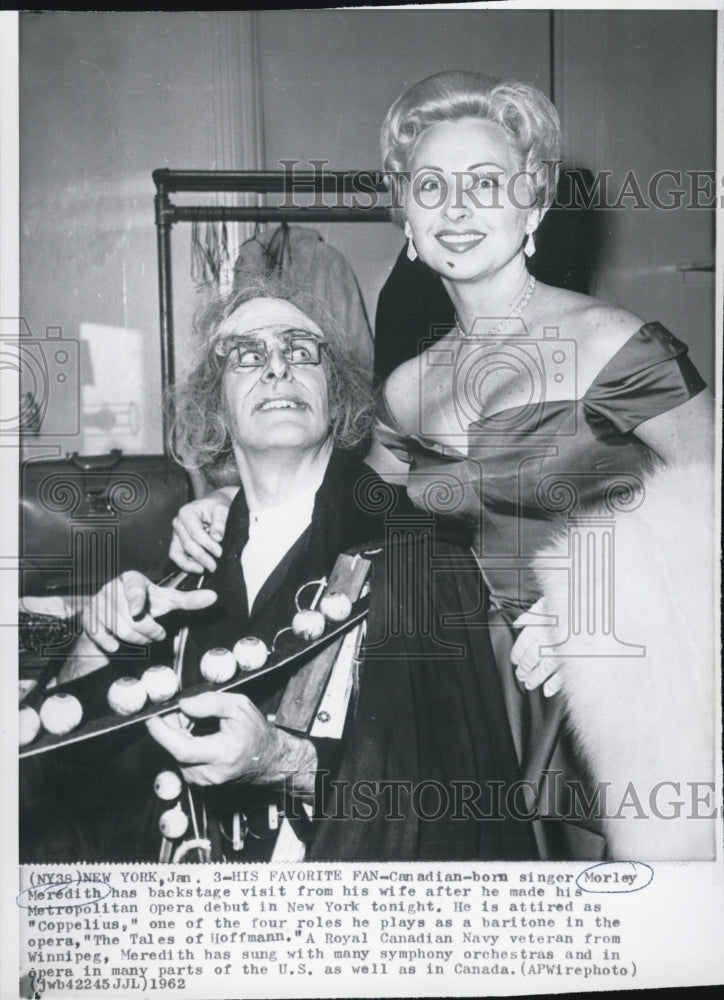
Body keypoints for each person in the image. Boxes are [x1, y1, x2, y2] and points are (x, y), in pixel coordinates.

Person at [173, 73, 715, 860]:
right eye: (430, 186)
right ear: (407, 216)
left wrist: (598, 599)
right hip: (469, 704)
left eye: (486, 184)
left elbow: (713, 500)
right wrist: (223, 505)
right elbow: (348, 505)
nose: (456, 209)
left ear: (532, 207)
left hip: (618, 692)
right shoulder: (405, 387)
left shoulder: (614, 342)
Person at [23, 276, 535, 863]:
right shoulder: (185, 572)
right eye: (247, 355)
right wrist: (94, 640)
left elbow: (456, 801)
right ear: (215, 407)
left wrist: (285, 762)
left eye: (299, 351)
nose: (276, 369)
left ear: (336, 395)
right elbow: (65, 781)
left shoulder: (419, 555)